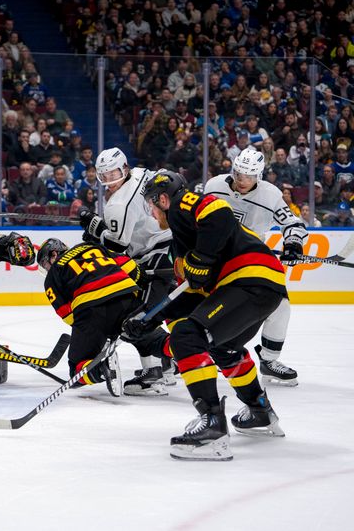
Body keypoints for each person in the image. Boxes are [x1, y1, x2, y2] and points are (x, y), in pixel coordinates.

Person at [125, 172, 286, 461]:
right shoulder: (182, 240)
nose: (151, 212)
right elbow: (192, 293)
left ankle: (212, 427)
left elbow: (219, 212)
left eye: (151, 204)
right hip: (260, 286)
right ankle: (260, 412)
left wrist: (202, 259)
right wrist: (150, 317)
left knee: (188, 336)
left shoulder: (180, 207)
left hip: (247, 279)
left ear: (162, 198)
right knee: (223, 348)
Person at [204, 148, 306, 385]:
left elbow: (292, 223)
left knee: (280, 304)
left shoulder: (270, 196)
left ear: (258, 176)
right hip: (212, 259)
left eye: (249, 176)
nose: (242, 181)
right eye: (239, 174)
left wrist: (292, 243)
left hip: (247, 262)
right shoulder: (214, 186)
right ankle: (183, 354)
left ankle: (269, 361)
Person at [78, 147, 174, 396]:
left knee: (135, 316)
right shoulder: (143, 173)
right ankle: (166, 363)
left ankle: (154, 374)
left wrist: (95, 228)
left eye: (114, 174)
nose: (110, 181)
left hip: (155, 258)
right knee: (161, 311)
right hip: (173, 248)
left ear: (125, 169)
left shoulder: (117, 204)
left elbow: (118, 246)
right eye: (105, 176)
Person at [36, 237, 141, 394]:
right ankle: (179, 350)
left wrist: (95, 335)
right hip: (127, 298)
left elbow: (68, 315)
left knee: (77, 370)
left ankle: (101, 369)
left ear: (53, 254)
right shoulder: (92, 246)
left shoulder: (54, 274)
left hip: (93, 311)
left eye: (45, 263)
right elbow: (131, 268)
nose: (47, 268)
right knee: (154, 338)